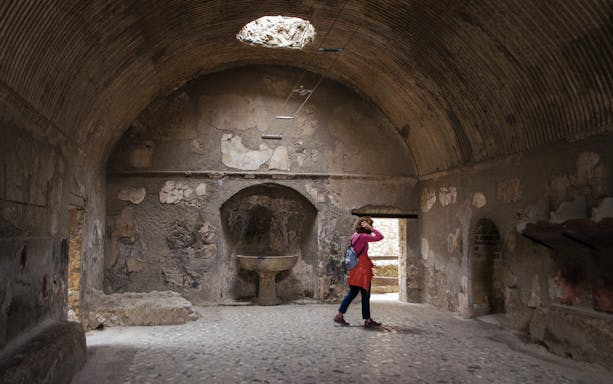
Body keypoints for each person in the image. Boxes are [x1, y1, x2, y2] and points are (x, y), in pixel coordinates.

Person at [334, 216, 384, 328]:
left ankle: (340, 315)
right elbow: (380, 237)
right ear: (365, 226)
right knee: (365, 295)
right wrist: (371, 228)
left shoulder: (354, 236)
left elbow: (360, 254)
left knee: (353, 293)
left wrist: (370, 263)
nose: (371, 227)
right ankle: (367, 320)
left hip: (356, 268)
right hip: (362, 271)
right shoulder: (364, 237)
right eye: (370, 224)